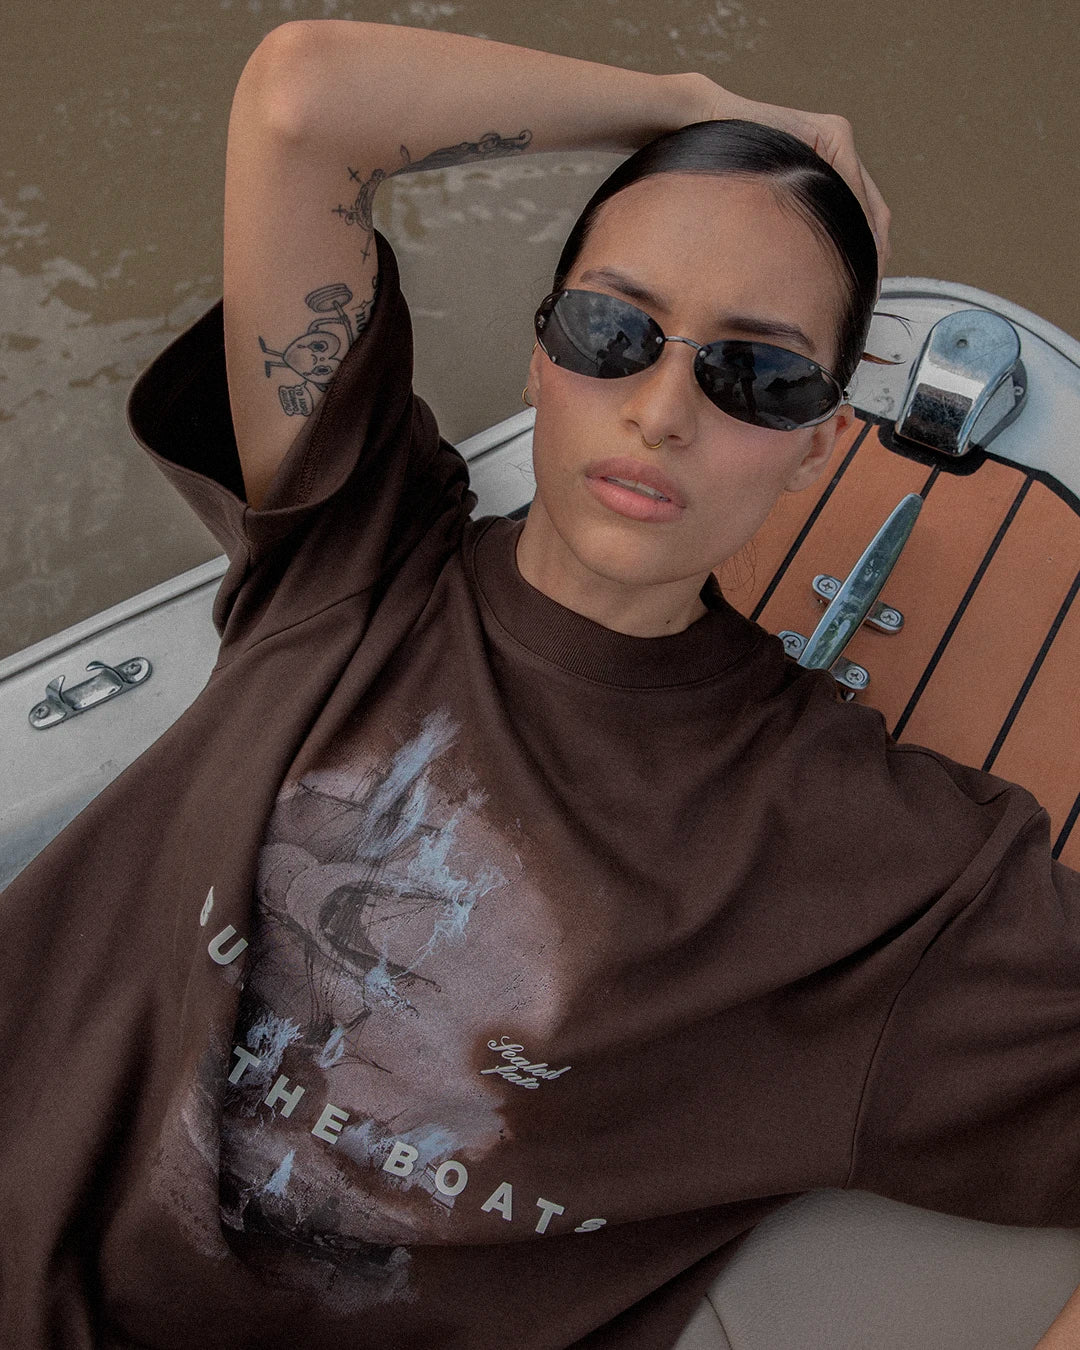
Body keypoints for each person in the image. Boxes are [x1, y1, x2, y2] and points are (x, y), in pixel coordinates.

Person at [1, 19, 1078, 1349]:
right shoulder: (354, 538)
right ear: (538, 356)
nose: (662, 410)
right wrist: (692, 103)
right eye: (611, 327)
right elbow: (302, 105)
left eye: (757, 374)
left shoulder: (857, 855)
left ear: (818, 444)